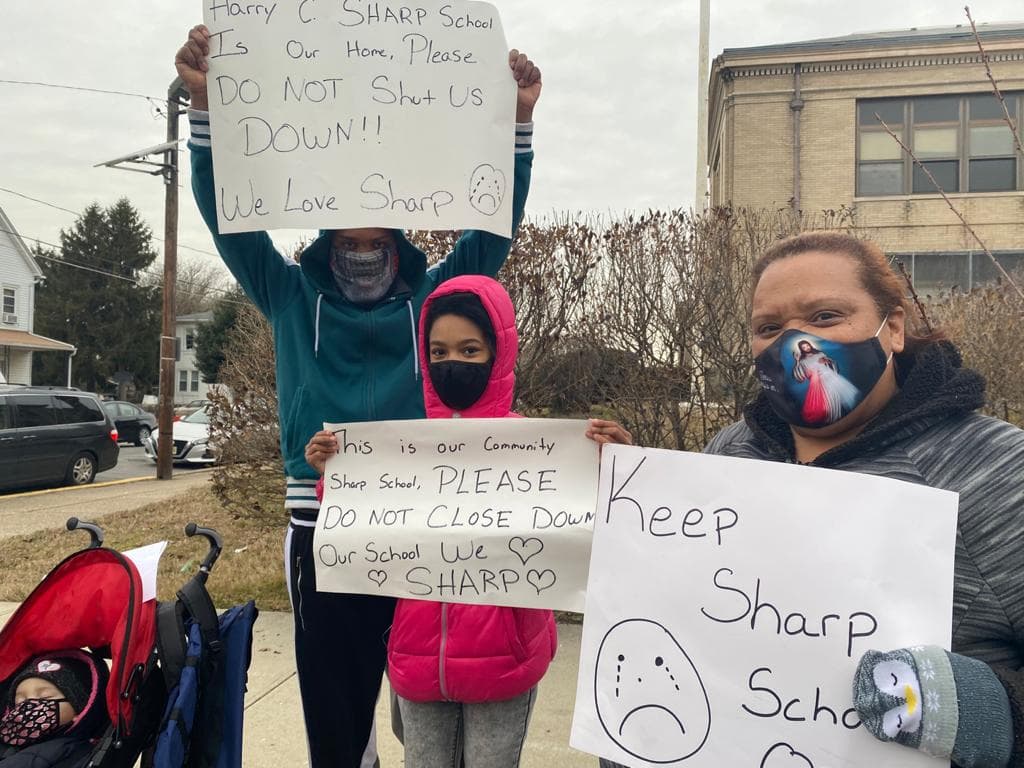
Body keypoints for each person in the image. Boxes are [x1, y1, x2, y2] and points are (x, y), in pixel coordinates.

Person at [174, 25, 543, 768]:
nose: (362, 216)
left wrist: (519, 125)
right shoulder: (287, 290)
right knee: (337, 717)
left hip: (424, 519)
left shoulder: (436, 293)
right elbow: (227, 221)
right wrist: (208, 110)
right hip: (322, 521)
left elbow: (493, 229)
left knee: (425, 709)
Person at [602, 231, 1022, 768]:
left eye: (825, 316)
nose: (796, 343)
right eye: (769, 328)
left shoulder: (998, 468)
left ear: (892, 328)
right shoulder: (728, 453)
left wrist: (982, 710)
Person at [307, 275, 631, 767]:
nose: (451, 364)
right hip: (417, 656)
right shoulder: (404, 444)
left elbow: (592, 528)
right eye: (437, 353)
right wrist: (335, 476)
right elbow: (366, 527)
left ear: (498, 354)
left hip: (503, 662)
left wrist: (619, 470)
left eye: (469, 350)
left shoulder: (537, 446)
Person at [0, 650, 110, 767]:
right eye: (21, 700)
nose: (29, 704)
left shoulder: (73, 753)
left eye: (45, 697)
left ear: (81, 710)